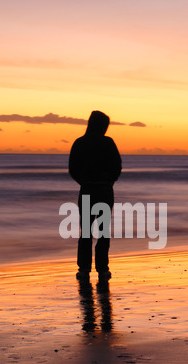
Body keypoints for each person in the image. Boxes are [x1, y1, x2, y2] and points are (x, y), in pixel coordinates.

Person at [69, 110, 122, 281]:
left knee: (85, 231)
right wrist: (108, 182)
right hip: (104, 191)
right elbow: (117, 167)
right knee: (103, 231)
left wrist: (84, 182)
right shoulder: (108, 143)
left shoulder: (79, 143)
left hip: (87, 190)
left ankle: (84, 269)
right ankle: (102, 269)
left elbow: (73, 169)